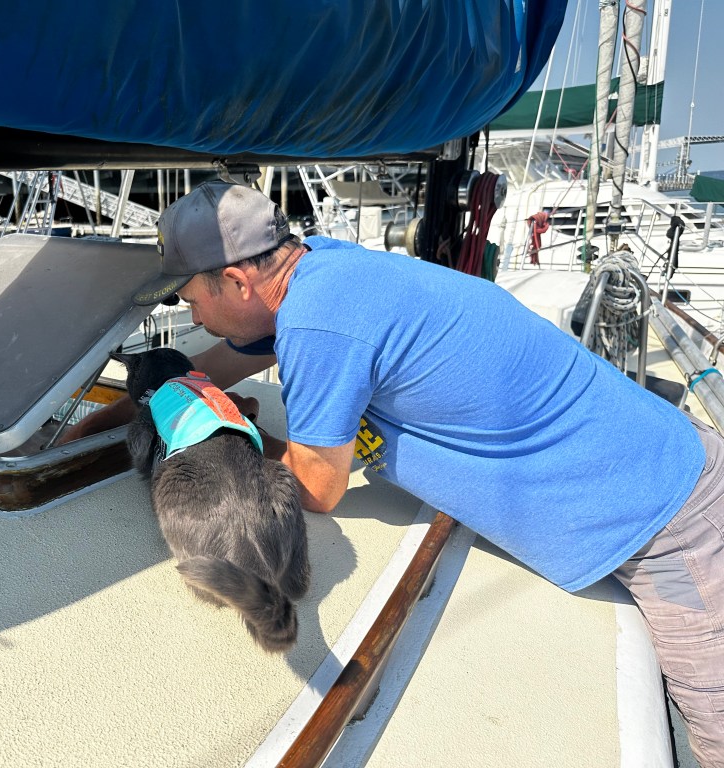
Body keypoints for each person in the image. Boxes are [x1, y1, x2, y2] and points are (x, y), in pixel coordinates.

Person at [70, 181, 724, 764]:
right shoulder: (322, 268)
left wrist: (229, 431)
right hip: (659, 472)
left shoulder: (318, 323)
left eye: (191, 301)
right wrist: (86, 430)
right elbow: (209, 367)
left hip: (668, 520)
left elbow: (317, 489)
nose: (195, 320)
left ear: (239, 282)